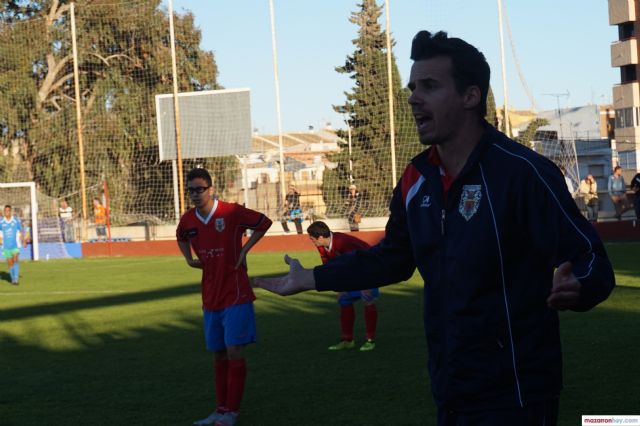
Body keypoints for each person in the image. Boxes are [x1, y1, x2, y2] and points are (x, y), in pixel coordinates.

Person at [256, 30, 615, 425]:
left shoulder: (522, 173)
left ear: (470, 96)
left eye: (429, 86)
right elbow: (394, 259)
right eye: (412, 87)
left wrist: (580, 286)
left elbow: (591, 259)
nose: (412, 98)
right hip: (450, 388)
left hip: (517, 392)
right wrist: (311, 277)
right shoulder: (416, 178)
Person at [176, 167, 272, 426]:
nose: (195, 194)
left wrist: (245, 251)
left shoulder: (231, 212)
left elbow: (264, 223)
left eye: (200, 189)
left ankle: (231, 412)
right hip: (210, 295)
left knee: (234, 351)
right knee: (218, 354)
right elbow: (181, 236)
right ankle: (220, 410)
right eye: (191, 190)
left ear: (211, 188)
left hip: (236, 293)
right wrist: (188, 259)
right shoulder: (188, 220)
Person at [307, 221, 378, 351]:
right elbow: (329, 266)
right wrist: (339, 285)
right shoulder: (321, 246)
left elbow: (359, 261)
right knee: (344, 299)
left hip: (368, 267)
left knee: (367, 299)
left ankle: (370, 340)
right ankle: (347, 340)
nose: (311, 241)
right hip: (351, 271)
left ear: (321, 237)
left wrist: (365, 284)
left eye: (312, 239)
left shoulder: (343, 241)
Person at [1, 205, 25, 285]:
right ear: (4, 212)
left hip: (15, 245)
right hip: (6, 246)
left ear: (10, 211)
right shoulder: (1, 222)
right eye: (5, 211)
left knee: (15, 259)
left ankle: (16, 279)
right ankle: (12, 278)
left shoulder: (15, 220)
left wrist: (23, 240)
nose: (7, 212)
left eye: (8, 210)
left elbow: (21, 230)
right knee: (10, 263)